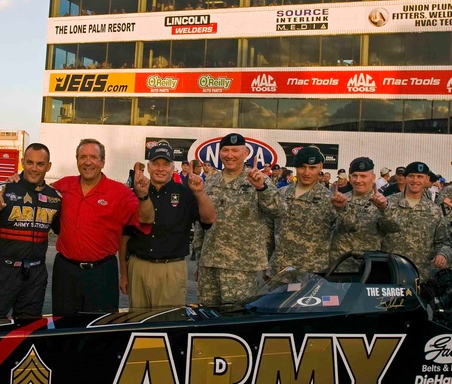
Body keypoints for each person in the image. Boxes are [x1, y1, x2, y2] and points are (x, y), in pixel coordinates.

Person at [51, 139, 153, 315]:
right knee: (64, 329)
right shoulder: (63, 186)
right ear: (77, 161)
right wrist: (17, 179)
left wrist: (143, 196)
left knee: (99, 331)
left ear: (103, 162)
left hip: (102, 274)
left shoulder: (120, 193)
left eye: (94, 157)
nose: (88, 162)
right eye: (83, 157)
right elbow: (35, 192)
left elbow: (146, 219)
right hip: (66, 272)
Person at [0, 143, 60, 319]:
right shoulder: (2, 189)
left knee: (27, 332)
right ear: (23, 162)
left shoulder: (55, 198)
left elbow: (64, 230)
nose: (34, 168)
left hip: (35, 276)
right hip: (3, 272)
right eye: (30, 162)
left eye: (40, 164)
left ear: (48, 166)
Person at [119, 143, 215, 308]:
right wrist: (124, 274)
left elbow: (208, 220)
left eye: (166, 164)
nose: (160, 169)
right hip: (138, 266)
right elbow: (124, 238)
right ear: (148, 167)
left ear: (173, 168)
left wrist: (200, 193)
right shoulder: (133, 194)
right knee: (139, 324)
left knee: (168, 323)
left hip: (171, 269)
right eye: (156, 164)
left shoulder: (185, 193)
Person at [199, 133, 285, 305]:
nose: (229, 155)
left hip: (242, 266)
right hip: (209, 263)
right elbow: (201, 222)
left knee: (236, 317)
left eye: (235, 150)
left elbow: (279, 210)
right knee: (206, 318)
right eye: (225, 150)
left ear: (245, 153)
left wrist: (262, 188)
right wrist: (198, 255)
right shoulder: (210, 181)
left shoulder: (259, 179)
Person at [271, 146, 338, 274]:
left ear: (320, 167)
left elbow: (340, 235)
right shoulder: (281, 194)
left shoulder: (330, 199)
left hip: (312, 272)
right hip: (279, 270)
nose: (306, 172)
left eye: (312, 168)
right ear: (295, 168)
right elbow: (269, 230)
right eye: (302, 167)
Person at [381, 162, 452, 273]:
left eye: (420, 177)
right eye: (411, 176)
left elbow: (445, 241)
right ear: (405, 178)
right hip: (391, 272)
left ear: (427, 179)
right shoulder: (388, 203)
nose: (415, 180)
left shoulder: (434, 210)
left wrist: (442, 255)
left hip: (421, 274)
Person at [330, 157, 394, 256]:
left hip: (367, 266)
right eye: (354, 176)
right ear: (349, 178)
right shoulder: (339, 200)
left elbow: (393, 228)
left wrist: (384, 209)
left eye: (363, 176)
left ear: (373, 178)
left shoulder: (383, 202)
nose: (358, 180)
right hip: (337, 265)